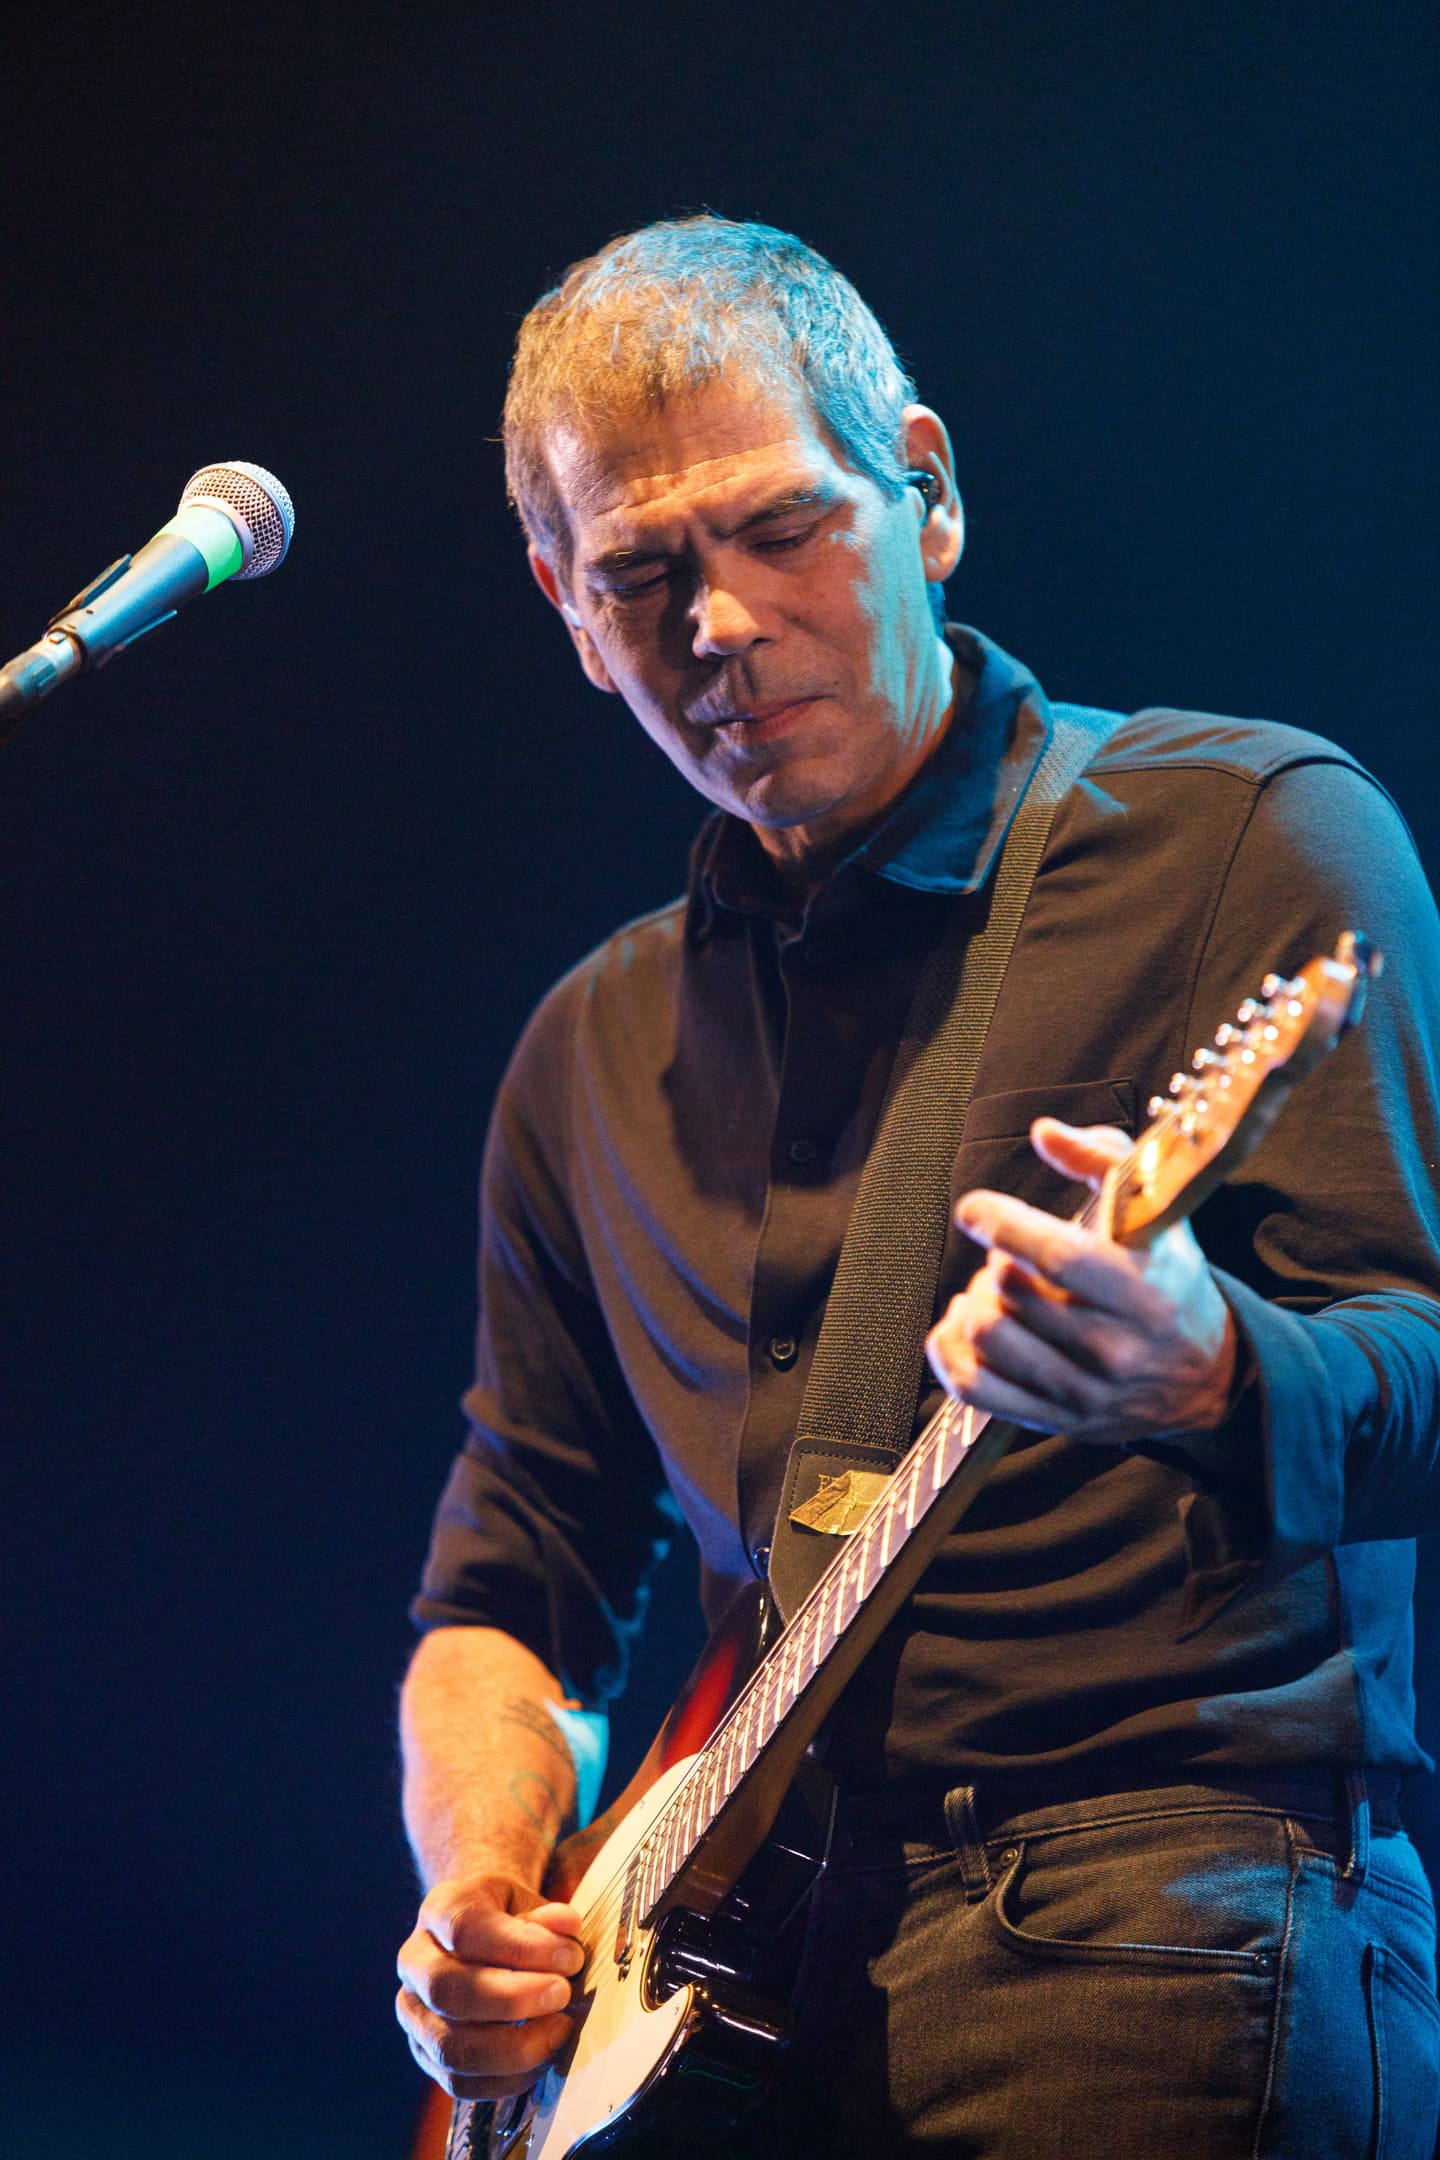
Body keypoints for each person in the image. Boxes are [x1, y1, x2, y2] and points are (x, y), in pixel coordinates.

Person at [394, 217, 1440, 2156]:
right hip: (720, 1998)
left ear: (929, 494)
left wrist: (1209, 1374)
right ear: (562, 601)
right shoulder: (587, 1048)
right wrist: (483, 1884)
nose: (718, 622)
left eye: (783, 529)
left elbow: (1423, 1366)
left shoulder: (1256, 841)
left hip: (1146, 1922)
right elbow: (511, 1583)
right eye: (640, 572)